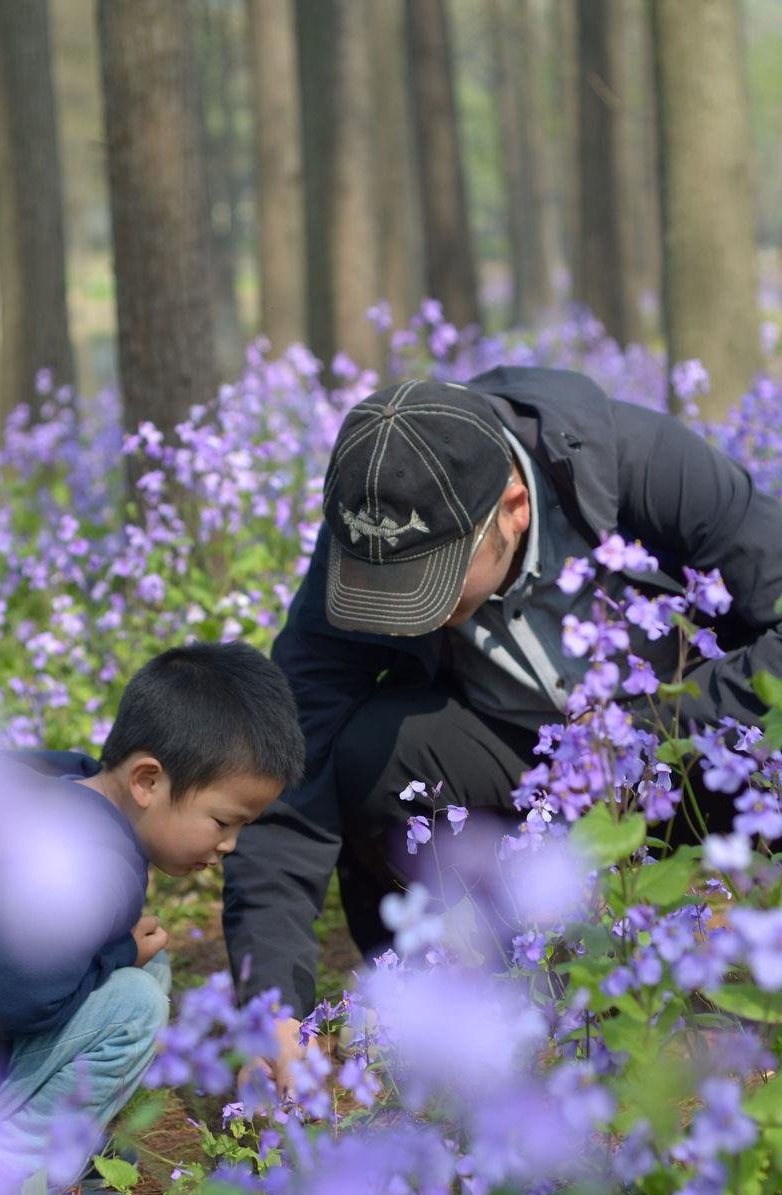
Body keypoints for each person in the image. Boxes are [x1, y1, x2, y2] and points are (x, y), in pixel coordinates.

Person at [222, 367, 782, 1086]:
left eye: (431, 580)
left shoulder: (639, 468)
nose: (399, 610)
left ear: (514, 508)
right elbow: (287, 767)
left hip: (696, 767)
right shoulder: (373, 545)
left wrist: (638, 729)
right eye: (382, 587)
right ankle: (502, 996)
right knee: (368, 753)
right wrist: (270, 1003)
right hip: (531, 784)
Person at [0, 641, 303, 1195]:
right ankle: (10, 1186)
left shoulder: (63, 777)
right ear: (147, 779)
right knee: (138, 997)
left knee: (146, 966)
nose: (229, 847)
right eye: (223, 822)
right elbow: (11, 999)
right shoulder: (96, 869)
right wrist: (120, 951)